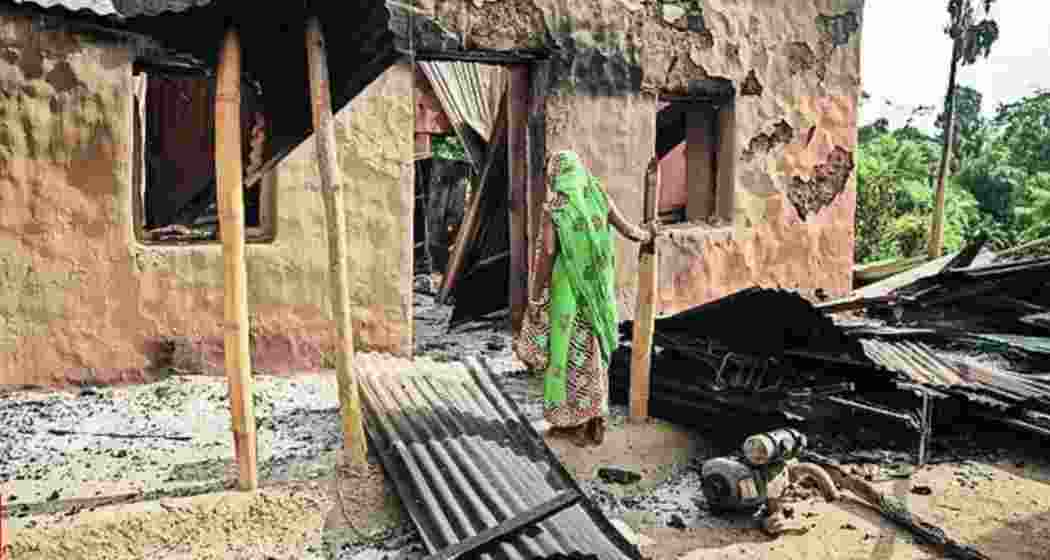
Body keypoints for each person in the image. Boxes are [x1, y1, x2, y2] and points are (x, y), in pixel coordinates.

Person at [517, 150, 662, 447]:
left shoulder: (555, 209)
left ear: (556, 175)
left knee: (565, 354)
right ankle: (596, 419)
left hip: (567, 293)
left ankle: (573, 422)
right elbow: (632, 232)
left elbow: (547, 255)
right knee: (593, 353)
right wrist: (649, 233)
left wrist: (535, 294)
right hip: (598, 295)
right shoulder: (599, 198)